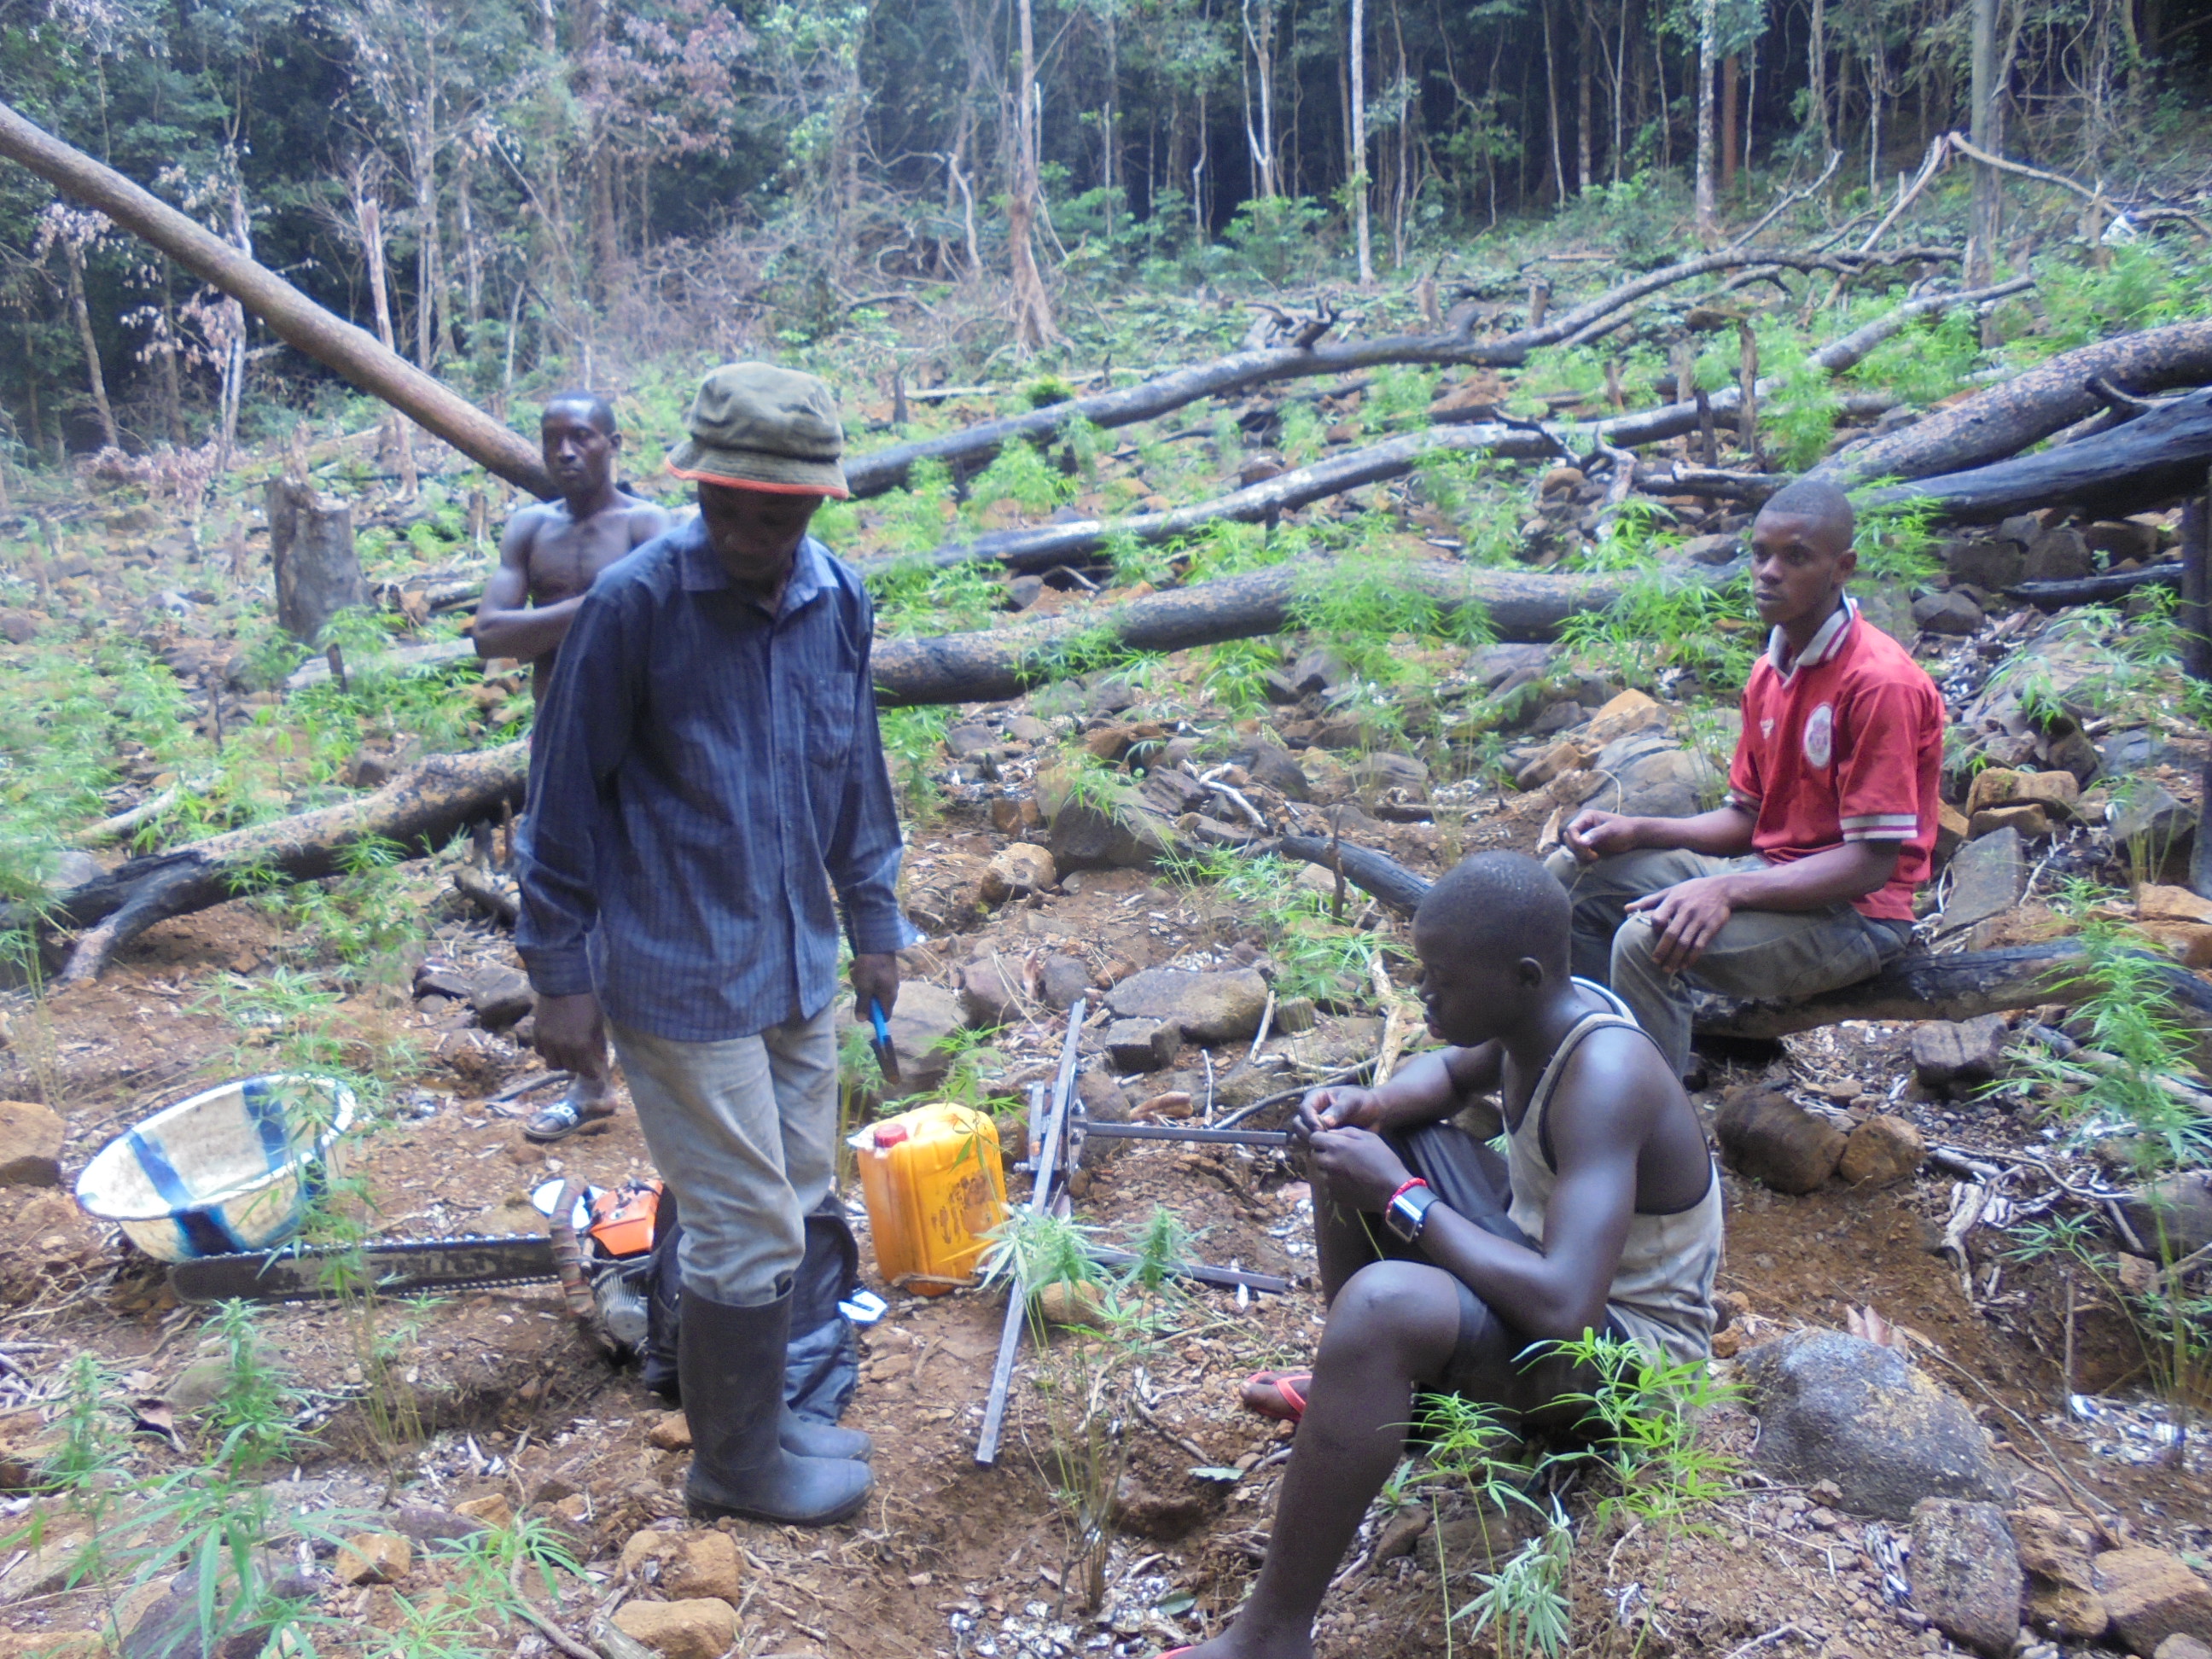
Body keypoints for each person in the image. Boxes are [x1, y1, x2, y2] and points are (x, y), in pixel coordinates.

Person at [515, 363, 908, 1527]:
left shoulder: (837, 598)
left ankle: (762, 1419)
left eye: (774, 512)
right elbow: (563, 796)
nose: (747, 532)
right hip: (674, 964)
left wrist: (874, 918)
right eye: (726, 506)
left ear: (818, 503)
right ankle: (732, 1467)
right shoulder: (634, 607)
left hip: (791, 951)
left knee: (792, 1191)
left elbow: (857, 773)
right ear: (693, 488)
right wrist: (558, 974)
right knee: (743, 1220)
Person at [1185, 851, 1721, 1659]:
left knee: (1382, 1301)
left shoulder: (1606, 1074)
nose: (1424, 994)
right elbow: (1445, 1079)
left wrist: (1401, 1196)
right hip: (1554, 1288)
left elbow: (1564, 1309)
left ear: (1525, 976)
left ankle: (1268, 1639)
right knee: (1358, 1146)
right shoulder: (1533, 1020)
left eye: (1442, 980)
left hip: (1629, 1365)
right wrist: (1369, 1105)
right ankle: (1379, 1401)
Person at [1548, 476, 1944, 1082]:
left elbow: (1870, 865)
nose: (1768, 572)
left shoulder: (1878, 682)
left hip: (1858, 916)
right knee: (1573, 876)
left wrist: (1725, 891)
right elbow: (1748, 820)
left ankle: (1652, 1133)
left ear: (1843, 568)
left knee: (1644, 940)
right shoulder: (1770, 671)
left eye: (1796, 557)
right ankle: (1588, 1063)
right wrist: (1639, 829)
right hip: (1771, 877)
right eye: (1760, 553)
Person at [474, 390, 671, 1144]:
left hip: (642, 739)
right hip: (558, 740)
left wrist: (550, 620)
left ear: (612, 442)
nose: (564, 452)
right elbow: (490, 637)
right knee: (561, 898)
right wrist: (601, 603)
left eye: (580, 438)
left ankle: (668, 1075)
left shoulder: (648, 523)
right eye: (551, 439)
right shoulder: (530, 528)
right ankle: (591, 1085)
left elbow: (660, 624)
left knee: (652, 895)